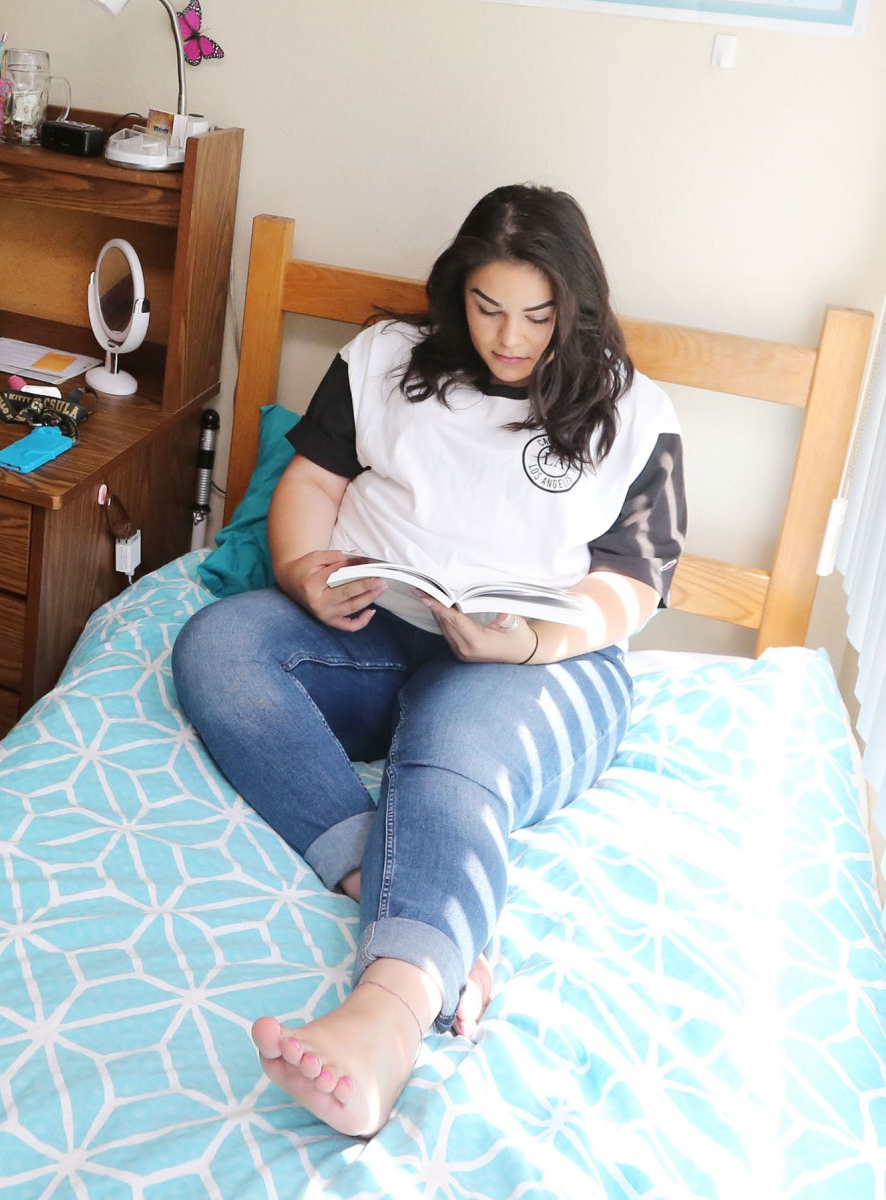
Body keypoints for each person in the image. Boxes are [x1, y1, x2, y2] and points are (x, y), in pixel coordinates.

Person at [172, 184, 685, 1137]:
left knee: (448, 753)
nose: (510, 338)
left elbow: (633, 583)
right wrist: (297, 571)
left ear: (575, 306)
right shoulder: (384, 360)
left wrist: (531, 639)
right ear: (458, 293)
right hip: (377, 625)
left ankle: (388, 1017)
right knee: (219, 644)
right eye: (488, 309)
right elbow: (313, 480)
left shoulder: (631, 413)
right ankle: (406, 894)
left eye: (537, 316)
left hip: (537, 660)